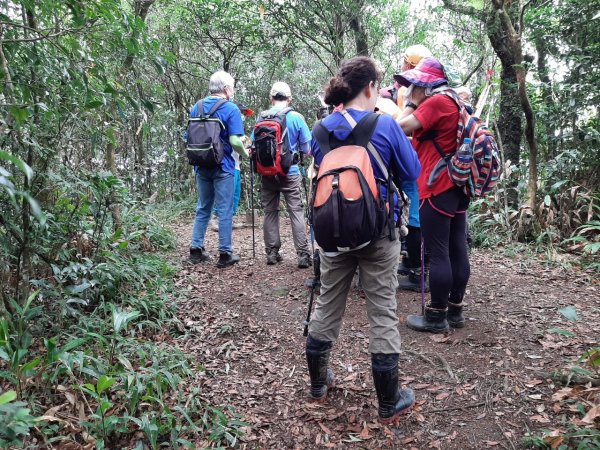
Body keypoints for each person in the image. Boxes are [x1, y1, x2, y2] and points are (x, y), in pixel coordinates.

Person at [305, 56, 421, 424]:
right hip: (378, 233)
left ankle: (318, 384)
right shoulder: (384, 125)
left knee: (327, 303)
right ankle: (389, 401)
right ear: (371, 87)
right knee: (382, 310)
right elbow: (411, 173)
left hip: (333, 234)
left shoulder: (320, 130)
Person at [397, 57, 470, 332]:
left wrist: (411, 103)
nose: (413, 87)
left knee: (439, 251)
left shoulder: (437, 102)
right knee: (456, 246)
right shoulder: (455, 101)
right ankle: (455, 311)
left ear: (428, 83)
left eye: (417, 83)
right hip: (456, 184)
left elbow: (399, 126)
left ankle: (436, 315)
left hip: (437, 184)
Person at [188, 70, 248, 268]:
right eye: (232, 88)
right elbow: (234, 140)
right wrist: (245, 153)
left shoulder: (196, 107)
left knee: (203, 206)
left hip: (200, 163)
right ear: (226, 89)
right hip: (223, 165)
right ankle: (224, 253)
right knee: (225, 209)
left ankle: (196, 249)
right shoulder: (230, 109)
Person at [253, 82, 312, 268]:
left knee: (270, 211)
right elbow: (307, 148)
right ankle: (302, 255)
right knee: (296, 210)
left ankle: (271, 253)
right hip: (290, 172)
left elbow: (253, 146)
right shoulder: (296, 117)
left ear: (271, 98)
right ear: (289, 98)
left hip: (267, 172)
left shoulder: (261, 118)